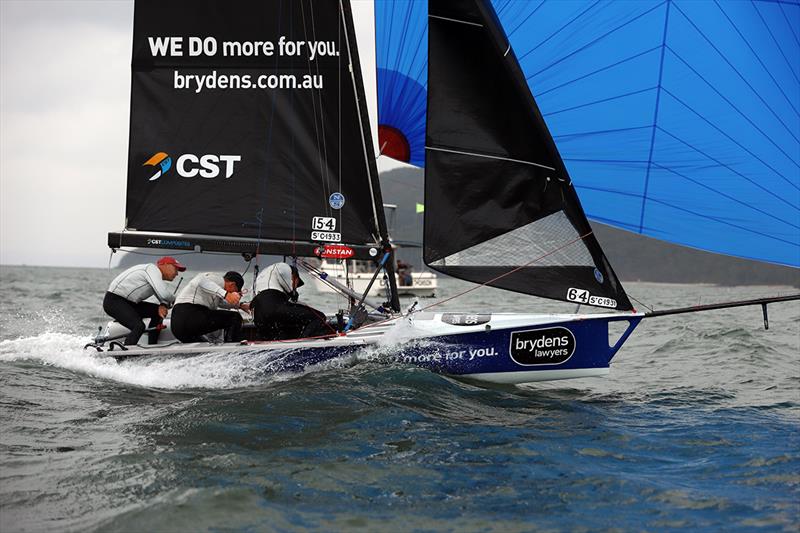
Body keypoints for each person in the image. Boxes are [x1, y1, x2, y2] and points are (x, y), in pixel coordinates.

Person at [103, 256, 185, 345]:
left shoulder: (155, 277)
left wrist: (163, 305)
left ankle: (152, 345)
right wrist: (178, 299)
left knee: (157, 312)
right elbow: (164, 294)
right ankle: (124, 356)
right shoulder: (152, 269)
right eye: (175, 268)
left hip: (129, 303)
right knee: (139, 326)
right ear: (164, 265)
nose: (177, 273)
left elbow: (164, 298)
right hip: (114, 301)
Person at [250, 263, 332, 341]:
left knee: (282, 330)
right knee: (319, 317)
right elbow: (281, 272)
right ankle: (302, 345)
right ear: (292, 276)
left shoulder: (262, 277)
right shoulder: (281, 267)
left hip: (257, 315)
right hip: (273, 307)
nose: (296, 287)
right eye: (296, 282)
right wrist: (292, 293)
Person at [170, 271, 248, 343]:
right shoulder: (216, 279)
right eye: (236, 291)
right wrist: (226, 294)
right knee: (235, 317)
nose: (234, 294)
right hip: (188, 314)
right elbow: (201, 281)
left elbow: (221, 303)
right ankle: (232, 348)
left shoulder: (215, 290)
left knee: (203, 344)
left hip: (177, 325)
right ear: (232, 284)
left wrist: (240, 306)